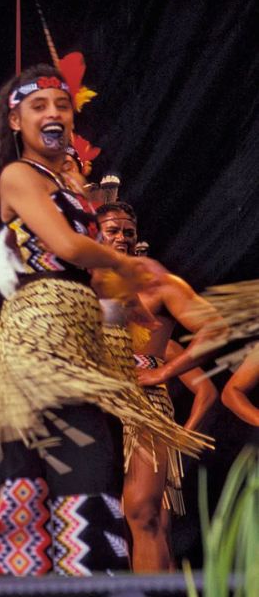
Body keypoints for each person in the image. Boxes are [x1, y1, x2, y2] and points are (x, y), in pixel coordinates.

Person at [0, 64, 205, 577]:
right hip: (39, 327)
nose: (53, 113)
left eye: (61, 106)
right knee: (64, 450)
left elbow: (90, 273)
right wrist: (127, 264)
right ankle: (42, 564)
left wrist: (127, 291)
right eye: (38, 106)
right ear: (15, 121)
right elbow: (65, 247)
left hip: (75, 335)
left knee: (48, 455)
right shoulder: (19, 176)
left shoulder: (71, 186)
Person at [96, 201, 223, 572]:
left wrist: (163, 373)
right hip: (91, 408)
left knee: (144, 514)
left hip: (144, 406)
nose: (121, 238)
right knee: (99, 519)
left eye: (128, 232)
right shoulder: (79, 282)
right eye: (112, 230)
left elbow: (215, 330)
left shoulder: (158, 284)